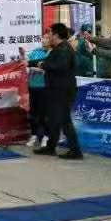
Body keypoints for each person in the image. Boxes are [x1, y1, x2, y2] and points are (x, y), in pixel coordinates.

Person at [29, 23, 83, 159]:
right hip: (55, 90)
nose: (48, 37)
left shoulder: (64, 49)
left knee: (64, 120)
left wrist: (43, 65)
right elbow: (46, 60)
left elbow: (59, 66)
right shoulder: (58, 49)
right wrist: (29, 62)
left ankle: (75, 151)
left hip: (62, 91)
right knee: (54, 119)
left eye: (50, 34)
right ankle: (51, 147)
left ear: (56, 35)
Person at [24, 34, 51, 148]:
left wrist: (32, 67)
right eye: (43, 38)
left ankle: (46, 137)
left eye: (47, 38)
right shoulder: (36, 51)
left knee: (44, 114)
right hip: (32, 86)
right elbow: (26, 61)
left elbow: (46, 69)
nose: (44, 40)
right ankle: (34, 135)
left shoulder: (52, 53)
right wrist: (23, 56)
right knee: (32, 114)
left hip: (44, 87)